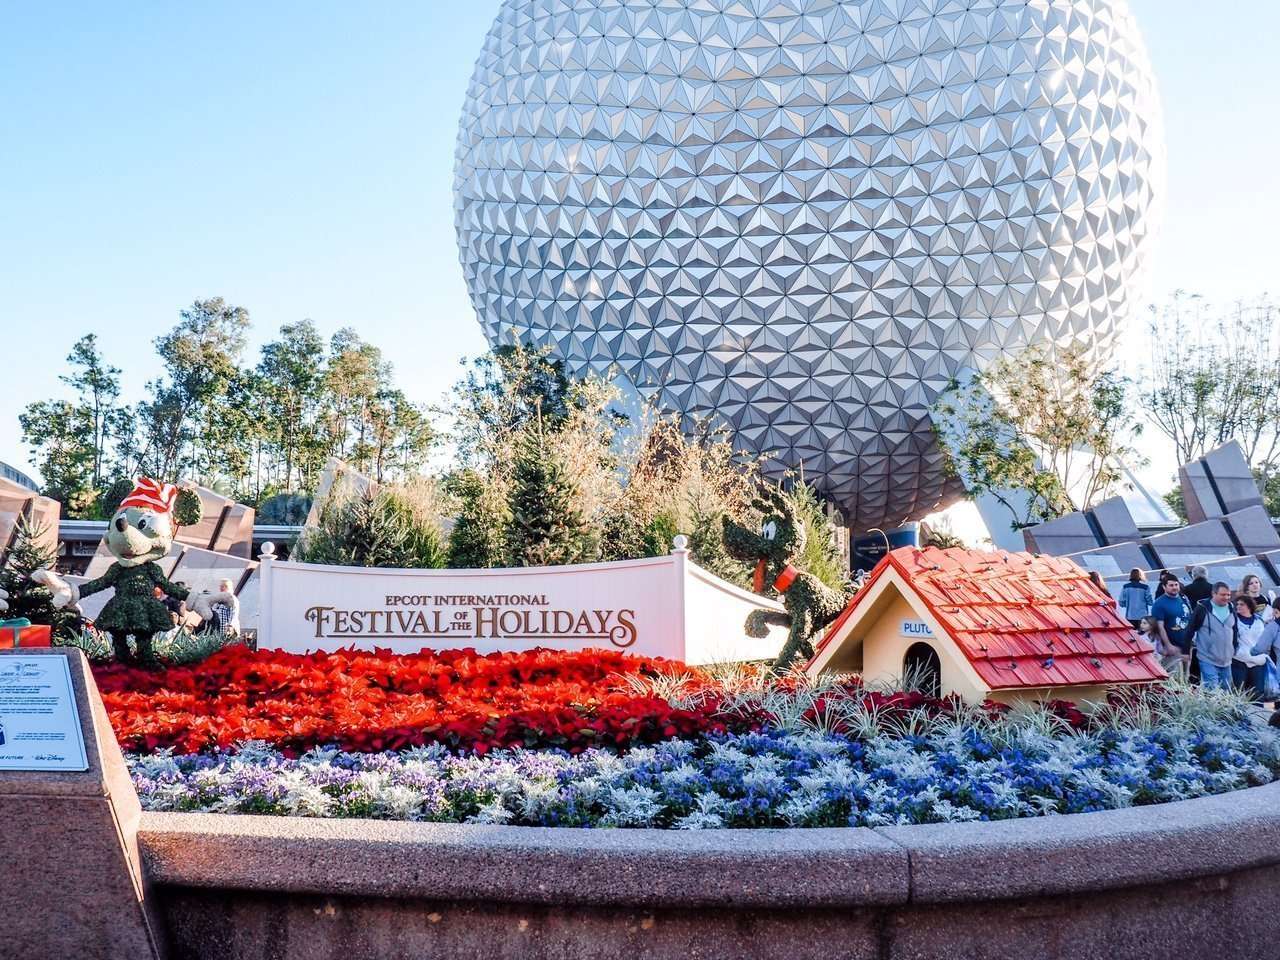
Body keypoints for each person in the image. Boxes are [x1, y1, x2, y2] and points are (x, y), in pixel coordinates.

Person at [1187, 582, 1238, 690]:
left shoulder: (1231, 608)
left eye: (1228, 595)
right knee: (1211, 691)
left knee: (1227, 691)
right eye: (1223, 595)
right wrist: (1185, 651)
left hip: (1227, 660)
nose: (1226, 597)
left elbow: (1235, 630)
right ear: (1213, 594)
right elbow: (1190, 630)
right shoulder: (1202, 609)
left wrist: (1235, 647)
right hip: (1207, 658)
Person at [1150, 576, 1193, 678]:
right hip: (1173, 646)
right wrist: (1168, 645)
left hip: (1187, 645)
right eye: (1171, 585)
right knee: (1174, 676)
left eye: (1176, 584)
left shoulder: (1183, 598)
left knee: (1186, 676)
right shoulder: (1159, 604)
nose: (1174, 587)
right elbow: (1159, 627)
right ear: (1164, 587)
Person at [1232, 595, 1269, 698]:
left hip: (1258, 661)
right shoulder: (1233, 620)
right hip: (1239, 661)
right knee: (1238, 692)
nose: (1238, 606)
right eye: (1237, 604)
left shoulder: (1259, 621)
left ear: (1249, 606)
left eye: (1242, 604)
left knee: (1257, 694)